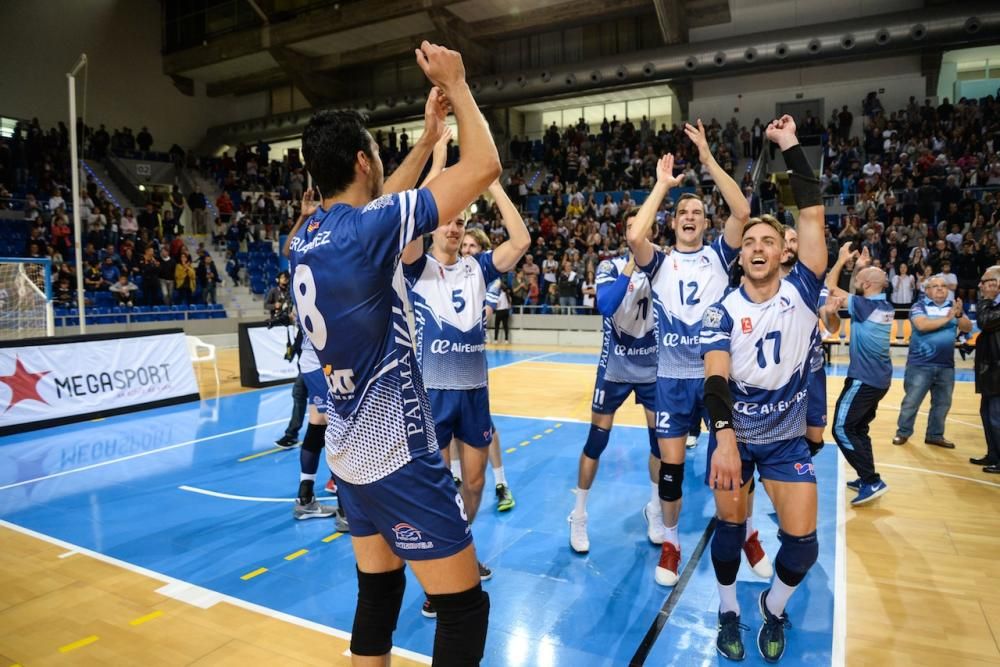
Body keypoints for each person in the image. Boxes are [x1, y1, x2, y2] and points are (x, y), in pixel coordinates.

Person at [288, 41, 500, 666]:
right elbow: (483, 164)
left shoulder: (302, 237)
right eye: (376, 155)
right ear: (361, 159)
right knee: (464, 608)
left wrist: (423, 140)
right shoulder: (366, 230)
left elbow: (380, 211)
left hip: (347, 455)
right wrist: (458, 86)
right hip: (399, 451)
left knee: (378, 590)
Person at [700, 115, 827, 662]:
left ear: (783, 252)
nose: (756, 246)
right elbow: (715, 378)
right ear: (742, 253)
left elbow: (813, 209)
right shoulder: (721, 308)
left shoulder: (803, 288)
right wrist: (725, 438)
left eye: (767, 240)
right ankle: (728, 606)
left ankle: (773, 608)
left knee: (803, 544)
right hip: (738, 431)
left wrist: (789, 144)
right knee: (729, 529)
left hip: (785, 436)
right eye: (748, 239)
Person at [626, 120, 748, 587]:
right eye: (684, 213)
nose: (691, 216)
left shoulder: (720, 256)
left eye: (697, 211)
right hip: (672, 381)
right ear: (675, 223)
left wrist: (708, 161)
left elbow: (742, 209)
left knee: (732, 467)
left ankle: (747, 532)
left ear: (705, 221)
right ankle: (672, 542)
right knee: (672, 471)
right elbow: (636, 237)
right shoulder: (659, 262)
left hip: (716, 378)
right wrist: (661, 186)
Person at [403, 158, 529, 611]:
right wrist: (437, 163)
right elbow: (411, 215)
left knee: (474, 484)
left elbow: (521, 241)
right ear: (435, 227)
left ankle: (460, 552)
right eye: (446, 221)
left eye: (459, 222)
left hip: (474, 394)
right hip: (432, 396)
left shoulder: (479, 269)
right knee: (437, 489)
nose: (453, 229)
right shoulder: (417, 269)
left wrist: (494, 185)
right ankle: (440, 579)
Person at [568, 217, 659, 554]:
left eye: (644, 226)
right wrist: (634, 264)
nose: (638, 232)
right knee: (596, 443)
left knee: (660, 445)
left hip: (652, 368)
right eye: (633, 227)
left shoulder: (665, 266)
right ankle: (578, 515)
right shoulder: (611, 266)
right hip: (615, 368)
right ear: (626, 233)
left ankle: (655, 509)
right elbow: (605, 306)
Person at [279, 189, 349, 529]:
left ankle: (306, 497)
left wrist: (305, 217)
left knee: (319, 423)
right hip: (324, 360)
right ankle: (346, 509)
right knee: (341, 425)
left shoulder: (303, 262)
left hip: (315, 360)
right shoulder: (326, 269)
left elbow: (288, 249)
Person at [826, 244, 894, 505]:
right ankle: (867, 476)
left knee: (841, 428)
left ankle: (871, 480)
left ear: (864, 284)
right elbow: (863, 285)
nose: (854, 280)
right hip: (879, 380)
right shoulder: (883, 305)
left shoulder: (864, 306)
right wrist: (864, 267)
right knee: (859, 429)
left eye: (858, 278)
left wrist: (843, 260)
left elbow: (831, 285)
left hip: (863, 380)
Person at [461, 223, 517, 513]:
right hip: (443, 365)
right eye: (465, 246)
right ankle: (456, 478)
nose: (468, 251)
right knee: (449, 430)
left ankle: (500, 482)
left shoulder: (489, 280)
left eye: (473, 246)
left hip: (471, 363)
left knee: (485, 426)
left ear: (482, 251)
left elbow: (484, 313)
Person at [892, 275, 972, 448]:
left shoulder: (953, 307)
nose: (940, 289)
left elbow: (967, 328)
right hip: (920, 365)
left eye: (943, 286)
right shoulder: (918, 306)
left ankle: (935, 435)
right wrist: (949, 318)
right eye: (935, 286)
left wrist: (958, 315)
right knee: (911, 402)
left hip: (946, 366)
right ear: (927, 290)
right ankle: (903, 432)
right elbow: (922, 325)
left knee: (942, 404)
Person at [971, 266, 1000, 473]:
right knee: (987, 414)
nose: (981, 285)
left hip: (997, 372)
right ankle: (993, 454)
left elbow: (985, 321)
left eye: (985, 281)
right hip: (991, 371)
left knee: (996, 417)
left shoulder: (992, 304)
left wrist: (986, 299)